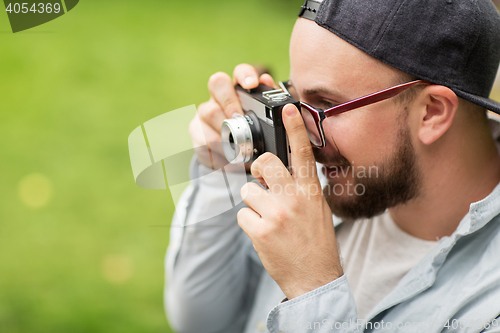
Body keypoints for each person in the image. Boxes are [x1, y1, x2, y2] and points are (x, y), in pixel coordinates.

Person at [164, 0, 500, 332]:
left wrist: (313, 288)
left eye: (326, 104)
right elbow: (203, 321)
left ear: (432, 112)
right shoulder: (337, 184)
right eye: (294, 98)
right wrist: (223, 175)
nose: (305, 138)